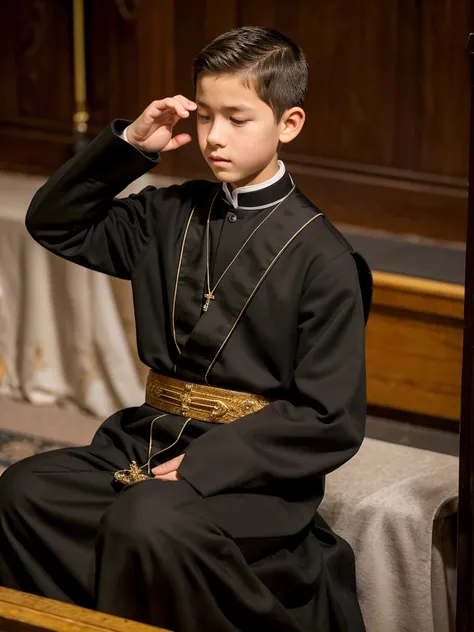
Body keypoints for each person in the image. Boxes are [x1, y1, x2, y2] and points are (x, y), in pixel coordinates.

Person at [0, 26, 372, 632]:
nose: (214, 137)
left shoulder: (323, 259)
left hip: (251, 474)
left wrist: (207, 466)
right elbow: (55, 223)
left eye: (237, 118)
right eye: (204, 117)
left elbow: (329, 417)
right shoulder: (169, 213)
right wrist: (128, 149)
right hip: (145, 441)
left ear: (290, 124)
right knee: (24, 490)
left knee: (145, 519)